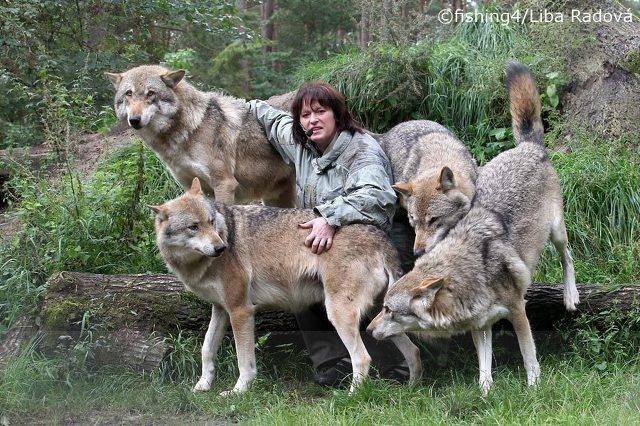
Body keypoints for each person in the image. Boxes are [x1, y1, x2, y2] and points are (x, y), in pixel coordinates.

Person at [246, 82, 409, 386]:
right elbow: (273, 120)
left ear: (338, 115)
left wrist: (329, 217)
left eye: (321, 111)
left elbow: (375, 197)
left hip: (379, 236)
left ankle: (394, 366)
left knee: (353, 290)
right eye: (305, 115)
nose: (312, 120)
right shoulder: (302, 144)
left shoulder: (361, 150)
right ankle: (334, 362)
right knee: (296, 271)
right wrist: (238, 107)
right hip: (334, 237)